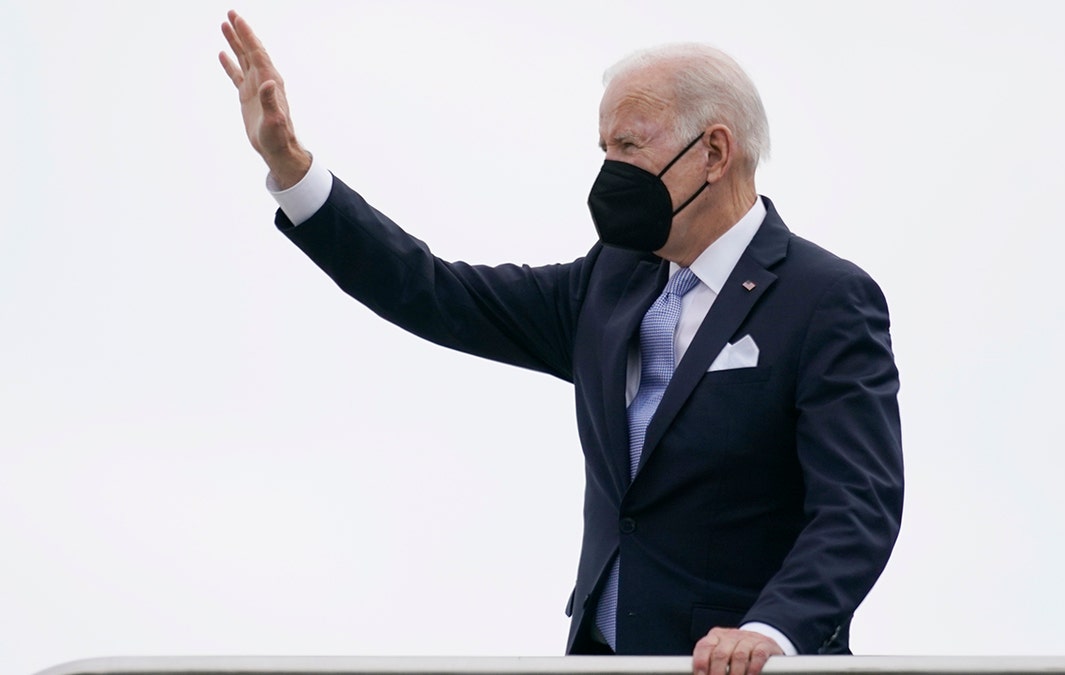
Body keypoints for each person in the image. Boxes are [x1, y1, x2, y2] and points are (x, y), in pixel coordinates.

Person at [219, 10, 903, 675]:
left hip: (736, 669)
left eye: (629, 147)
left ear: (715, 152)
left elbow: (858, 505)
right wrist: (292, 169)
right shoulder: (609, 280)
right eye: (603, 148)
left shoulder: (826, 299)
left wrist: (772, 631)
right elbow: (433, 291)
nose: (610, 170)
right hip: (601, 665)